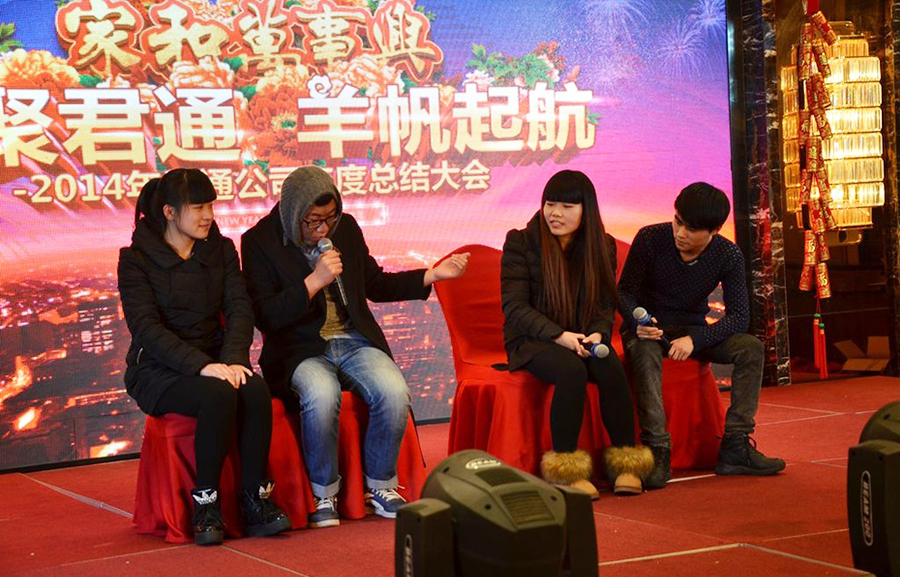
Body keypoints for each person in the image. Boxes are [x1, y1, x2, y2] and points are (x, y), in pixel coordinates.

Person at [240, 166, 469, 528]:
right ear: (294, 212)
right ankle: (324, 492)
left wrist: (431, 275)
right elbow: (265, 315)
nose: (323, 229)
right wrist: (314, 281)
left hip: (353, 341)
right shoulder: (259, 241)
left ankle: (381, 485)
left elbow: (375, 284)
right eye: (313, 221)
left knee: (393, 390)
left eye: (329, 218)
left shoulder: (345, 228)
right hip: (300, 349)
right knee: (322, 393)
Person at [118, 169, 290, 545]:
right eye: (197, 208)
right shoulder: (135, 259)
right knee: (218, 393)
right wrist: (202, 366)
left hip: (217, 359)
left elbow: (239, 308)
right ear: (169, 212)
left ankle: (255, 498)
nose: (208, 215)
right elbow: (146, 328)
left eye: (210, 205)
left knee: (255, 390)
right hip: (158, 370)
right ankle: (206, 504)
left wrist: (234, 359)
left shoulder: (221, 250)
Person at [617, 182, 786, 489]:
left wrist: (696, 339)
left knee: (750, 348)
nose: (681, 233)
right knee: (644, 351)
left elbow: (740, 317)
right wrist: (636, 320)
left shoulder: (728, 254)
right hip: (646, 329)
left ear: (714, 230)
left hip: (692, 330)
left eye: (692, 229)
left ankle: (735, 445)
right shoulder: (651, 238)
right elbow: (625, 292)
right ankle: (657, 450)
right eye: (678, 221)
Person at [501, 170, 653, 498]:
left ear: (586, 210)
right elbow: (514, 307)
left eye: (567, 206)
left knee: (609, 364)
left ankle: (626, 463)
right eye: (550, 204)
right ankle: (566, 471)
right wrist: (558, 336)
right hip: (533, 340)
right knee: (571, 370)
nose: (555, 213)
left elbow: (604, 303)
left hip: (582, 336)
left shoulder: (602, 245)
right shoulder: (521, 243)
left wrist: (598, 333)